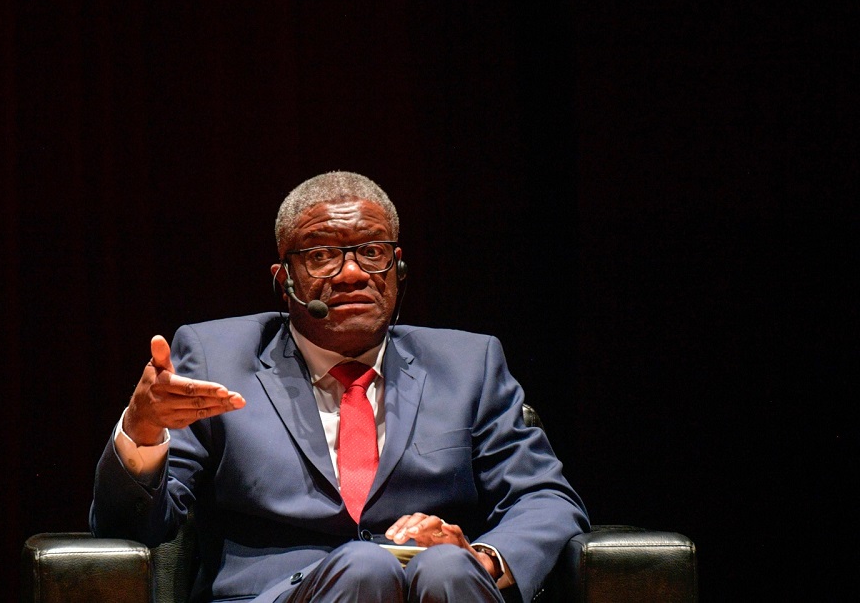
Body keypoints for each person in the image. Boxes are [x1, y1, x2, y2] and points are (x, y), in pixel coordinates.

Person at [91, 171, 589, 603]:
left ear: (399, 268)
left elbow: (545, 498)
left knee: (445, 567)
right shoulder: (216, 356)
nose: (352, 274)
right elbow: (133, 528)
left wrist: (483, 559)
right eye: (321, 255)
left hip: (440, 590)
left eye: (372, 252)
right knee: (365, 566)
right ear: (283, 278)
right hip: (280, 593)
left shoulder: (467, 365)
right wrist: (144, 429)